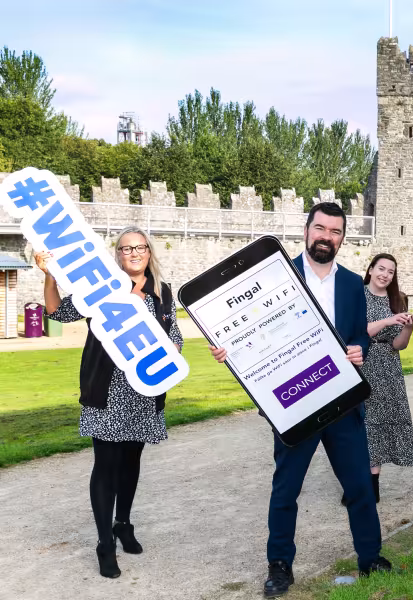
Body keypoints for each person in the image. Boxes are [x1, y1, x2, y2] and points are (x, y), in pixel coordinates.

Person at [209, 203, 392, 597]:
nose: (327, 237)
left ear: (343, 238)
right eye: (320, 228)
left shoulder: (349, 285)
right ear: (306, 230)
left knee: (360, 483)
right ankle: (279, 566)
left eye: (335, 231)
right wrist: (231, 352)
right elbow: (252, 331)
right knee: (286, 489)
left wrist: (359, 349)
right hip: (294, 401)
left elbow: (359, 334)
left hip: (341, 400)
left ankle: (370, 557)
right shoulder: (277, 275)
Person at [34, 226, 182, 579]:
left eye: (140, 247)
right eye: (126, 248)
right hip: (107, 389)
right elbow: (56, 313)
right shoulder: (101, 291)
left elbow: (173, 331)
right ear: (117, 255)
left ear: (149, 253)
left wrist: (174, 347)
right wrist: (50, 276)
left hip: (145, 392)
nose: (133, 253)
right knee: (106, 464)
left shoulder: (162, 292)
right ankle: (104, 543)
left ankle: (124, 524)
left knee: (131, 460)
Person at [358, 253, 413, 503]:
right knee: (362, 425)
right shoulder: (357, 295)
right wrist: (387, 320)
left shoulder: (397, 300)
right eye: (381, 269)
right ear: (371, 269)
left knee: (380, 425)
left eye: (390, 271)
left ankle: (372, 485)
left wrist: (408, 327)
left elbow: (398, 344)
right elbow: (356, 331)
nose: (385, 274)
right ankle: (357, 483)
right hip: (361, 363)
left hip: (388, 368)